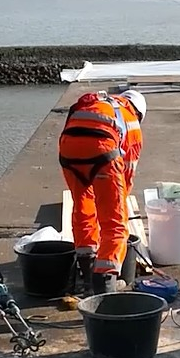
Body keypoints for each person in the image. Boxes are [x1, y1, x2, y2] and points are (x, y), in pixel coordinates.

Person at [60, 89, 145, 294]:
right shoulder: (132, 122)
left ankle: (87, 272)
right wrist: (116, 203)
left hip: (68, 149)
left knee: (83, 208)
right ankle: (105, 285)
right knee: (115, 224)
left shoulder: (99, 103)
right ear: (140, 112)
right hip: (101, 151)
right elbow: (127, 173)